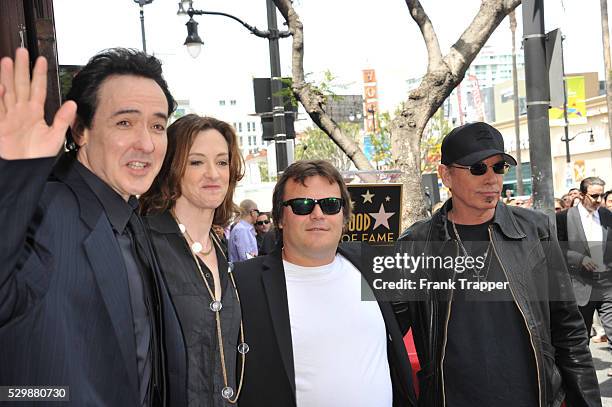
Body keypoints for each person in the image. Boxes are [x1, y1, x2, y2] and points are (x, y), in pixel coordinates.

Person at [0, 48, 187, 405]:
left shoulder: (133, 219)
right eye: (124, 123)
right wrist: (12, 176)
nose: (146, 144)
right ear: (81, 130)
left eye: (158, 126)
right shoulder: (45, 211)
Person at [397, 122, 600, 406]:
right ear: (446, 175)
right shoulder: (416, 244)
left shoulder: (535, 229)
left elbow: (569, 330)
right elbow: (381, 333)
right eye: (478, 168)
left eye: (499, 167)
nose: (491, 178)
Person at [232, 160, 417, 407]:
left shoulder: (369, 263)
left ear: (344, 216)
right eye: (302, 205)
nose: (317, 214)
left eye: (330, 205)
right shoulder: (244, 282)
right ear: (280, 218)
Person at [140, 114, 245, 406]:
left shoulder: (221, 249)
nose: (213, 173)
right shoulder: (144, 242)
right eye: (196, 162)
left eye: (222, 162)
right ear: (172, 169)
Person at [556, 177, 612, 373]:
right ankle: (581, 382)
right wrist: (579, 259)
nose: (598, 200)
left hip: (607, 285)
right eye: (594, 195)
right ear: (581, 195)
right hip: (580, 286)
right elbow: (555, 249)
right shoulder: (563, 218)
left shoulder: (606, 216)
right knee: (580, 338)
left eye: (601, 195)